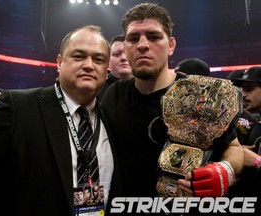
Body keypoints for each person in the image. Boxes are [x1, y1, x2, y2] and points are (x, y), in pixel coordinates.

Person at [100, 2, 243, 208]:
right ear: (126, 47)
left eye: (154, 36)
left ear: (171, 45)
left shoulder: (200, 94)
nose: (142, 44)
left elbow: (234, 148)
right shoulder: (114, 94)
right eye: (133, 38)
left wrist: (225, 170)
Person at [0, 25, 121, 216]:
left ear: (106, 69)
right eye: (78, 56)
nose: (89, 65)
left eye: (98, 59)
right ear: (59, 62)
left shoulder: (111, 118)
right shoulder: (17, 106)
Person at [227, 66, 261, 200]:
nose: (243, 94)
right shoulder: (255, 126)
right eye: (242, 89)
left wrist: (258, 161)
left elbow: (255, 161)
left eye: (249, 89)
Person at [98, 34, 133, 101]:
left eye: (128, 53)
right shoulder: (96, 88)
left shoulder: (149, 86)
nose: (123, 58)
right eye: (117, 54)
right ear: (108, 62)